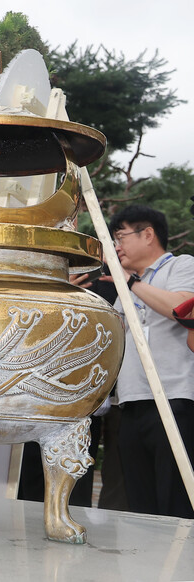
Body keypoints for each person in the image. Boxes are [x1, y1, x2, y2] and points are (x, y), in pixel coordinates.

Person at [106, 204, 194, 518]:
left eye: (120, 236)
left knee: (175, 502)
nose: (117, 247)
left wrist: (131, 283)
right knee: (140, 506)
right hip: (131, 403)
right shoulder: (125, 287)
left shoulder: (182, 265)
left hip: (174, 399)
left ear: (148, 234)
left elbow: (184, 307)